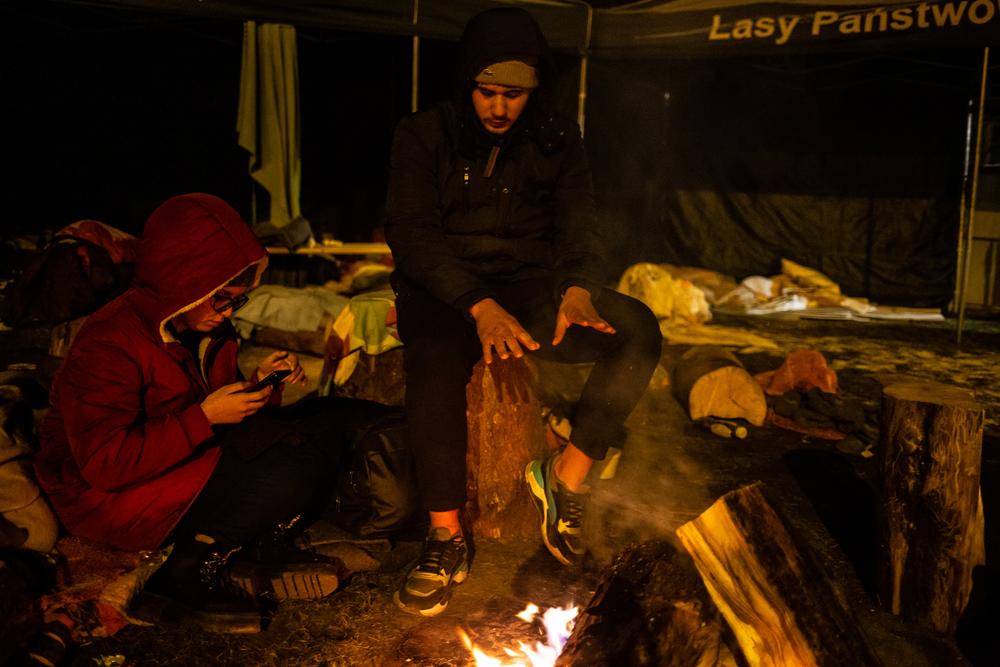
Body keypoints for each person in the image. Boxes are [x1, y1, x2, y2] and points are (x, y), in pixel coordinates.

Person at [384, 7, 661, 616]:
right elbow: (412, 236)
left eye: (515, 95)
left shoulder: (557, 138)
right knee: (432, 364)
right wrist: (477, 305)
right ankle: (444, 535)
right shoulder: (424, 133)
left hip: (531, 290)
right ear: (467, 84)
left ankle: (565, 477)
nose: (500, 108)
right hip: (446, 291)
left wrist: (578, 288)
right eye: (488, 92)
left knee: (637, 328)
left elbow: (578, 225)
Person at [33, 193, 348, 633]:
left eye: (238, 301)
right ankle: (184, 572)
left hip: (177, 456)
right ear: (183, 281)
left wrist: (260, 383)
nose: (227, 313)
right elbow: (105, 463)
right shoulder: (110, 341)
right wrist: (204, 418)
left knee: (323, 427)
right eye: (221, 298)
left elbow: (217, 406)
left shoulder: (206, 326)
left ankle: (258, 549)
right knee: (291, 462)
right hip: (106, 496)